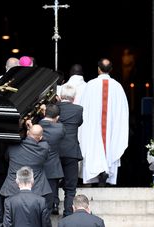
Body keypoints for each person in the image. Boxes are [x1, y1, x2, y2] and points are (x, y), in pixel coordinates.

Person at [80, 58, 129, 185]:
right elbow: (124, 112)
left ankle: (97, 173)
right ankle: (107, 173)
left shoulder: (90, 85)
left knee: (93, 146)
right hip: (112, 128)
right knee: (111, 145)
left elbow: (83, 108)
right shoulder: (118, 87)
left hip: (93, 127)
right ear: (111, 70)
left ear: (98, 69)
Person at [0, 123, 52, 199]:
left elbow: (6, 159)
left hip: (12, 189)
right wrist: (35, 132)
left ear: (27, 133)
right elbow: (46, 140)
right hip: (36, 189)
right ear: (40, 137)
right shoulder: (44, 148)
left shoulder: (12, 147)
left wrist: (28, 130)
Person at [56, 84, 83, 216]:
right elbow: (79, 122)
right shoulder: (78, 109)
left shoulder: (55, 108)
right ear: (74, 97)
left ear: (60, 96)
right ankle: (68, 213)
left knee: (53, 180)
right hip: (71, 150)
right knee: (70, 186)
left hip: (55, 150)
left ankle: (54, 205)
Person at [39, 104, 65, 213]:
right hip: (54, 164)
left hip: (40, 163)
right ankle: (55, 203)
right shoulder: (60, 128)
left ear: (44, 113)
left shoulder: (37, 125)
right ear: (57, 117)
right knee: (53, 186)